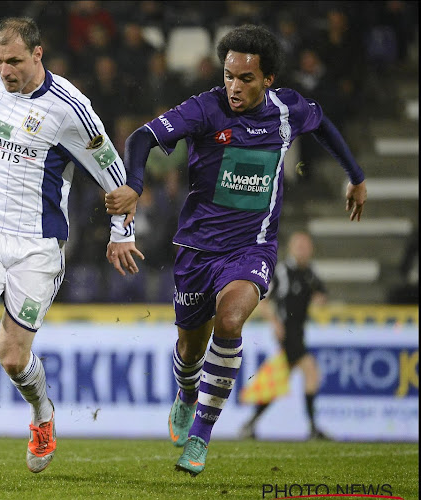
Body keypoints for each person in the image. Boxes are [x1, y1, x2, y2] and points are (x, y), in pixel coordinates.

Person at [105, 24, 367, 476]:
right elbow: (140, 138)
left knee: (230, 321)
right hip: (196, 251)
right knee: (189, 351)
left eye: (246, 78)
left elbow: (322, 124)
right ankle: (186, 394)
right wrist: (134, 184)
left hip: (252, 249)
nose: (234, 86)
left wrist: (356, 176)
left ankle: (201, 438)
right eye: (229, 75)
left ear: (268, 80)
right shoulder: (206, 108)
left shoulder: (288, 109)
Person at [0, 16, 143, 486]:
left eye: (15, 61)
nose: (5, 71)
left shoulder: (71, 110)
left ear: (38, 54)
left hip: (36, 245)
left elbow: (114, 175)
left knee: (11, 355)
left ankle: (42, 413)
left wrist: (121, 230)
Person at [239, 231, 329, 440]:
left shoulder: (309, 274)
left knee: (279, 380)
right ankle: (314, 428)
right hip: (287, 332)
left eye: (306, 246)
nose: (303, 250)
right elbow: (263, 300)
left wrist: (319, 299)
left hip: (299, 331)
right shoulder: (282, 272)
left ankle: (250, 424)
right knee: (310, 370)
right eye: (299, 246)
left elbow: (321, 294)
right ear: (291, 248)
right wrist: (275, 323)